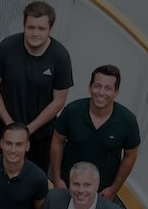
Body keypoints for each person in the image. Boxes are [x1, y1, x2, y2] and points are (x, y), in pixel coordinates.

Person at [0, 2, 73, 169]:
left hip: (39, 137)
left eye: (41, 29)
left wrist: (28, 130)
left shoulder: (60, 56)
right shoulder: (7, 46)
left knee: (33, 179)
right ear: (23, 26)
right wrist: (9, 124)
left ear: (51, 29)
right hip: (3, 129)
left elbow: (59, 101)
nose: (35, 33)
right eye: (30, 27)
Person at [50, 65, 140, 201]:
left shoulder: (128, 121)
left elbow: (130, 155)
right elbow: (57, 141)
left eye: (108, 88)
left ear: (116, 92)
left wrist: (113, 189)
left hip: (102, 193)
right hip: (68, 186)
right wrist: (57, 179)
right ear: (89, 88)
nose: (101, 92)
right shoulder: (72, 111)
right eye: (97, 86)